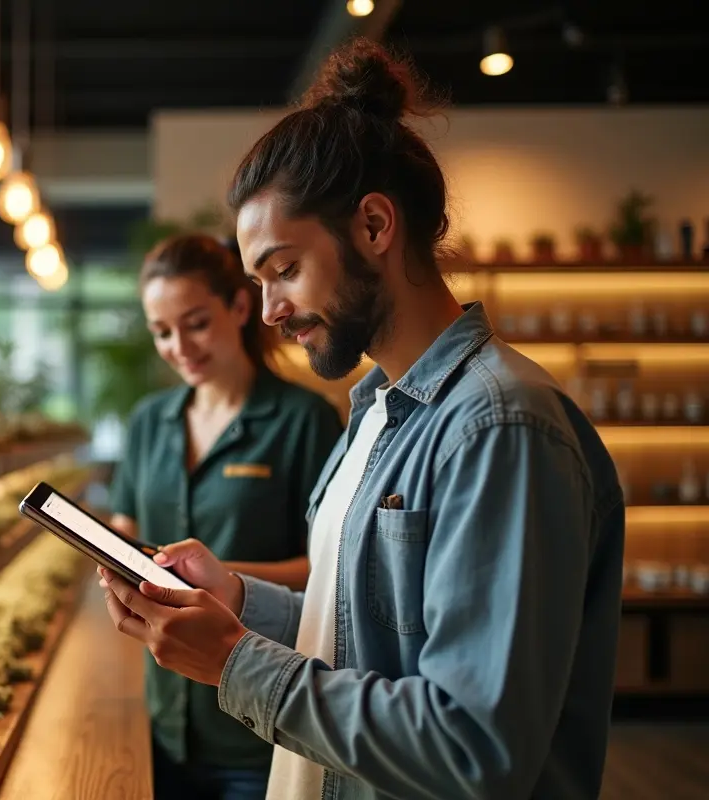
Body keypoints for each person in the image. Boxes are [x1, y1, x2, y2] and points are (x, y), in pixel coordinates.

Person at [99, 38, 623, 800]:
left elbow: (474, 746)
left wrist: (234, 663)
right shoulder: (376, 412)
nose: (270, 310)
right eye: (259, 279)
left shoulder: (501, 428)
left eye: (285, 270)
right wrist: (237, 601)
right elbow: (359, 633)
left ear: (375, 226)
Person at [108, 232, 343, 800]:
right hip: (164, 719)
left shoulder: (304, 421)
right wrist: (116, 559)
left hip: (257, 726)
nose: (179, 346)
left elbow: (331, 573)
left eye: (195, 323)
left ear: (239, 307)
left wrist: (214, 581)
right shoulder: (147, 422)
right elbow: (127, 527)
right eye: (162, 332)